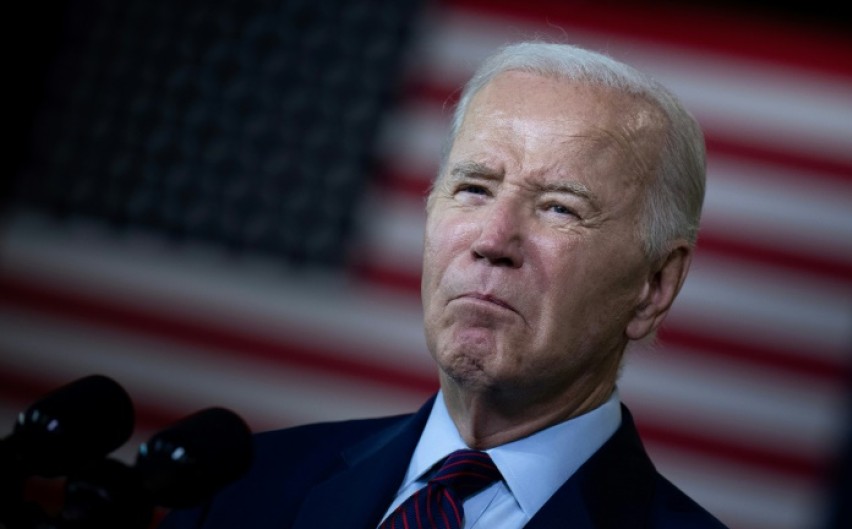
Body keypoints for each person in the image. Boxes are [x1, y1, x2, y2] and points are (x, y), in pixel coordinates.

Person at [159, 41, 726, 529]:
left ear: (654, 286)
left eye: (559, 208)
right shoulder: (239, 490)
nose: (493, 239)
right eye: (475, 189)